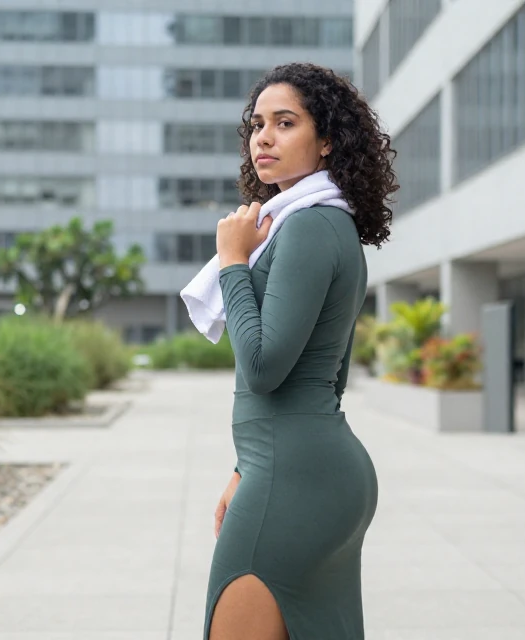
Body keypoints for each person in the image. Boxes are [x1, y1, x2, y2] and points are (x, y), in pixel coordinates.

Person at [201, 62, 398, 640]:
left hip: (295, 477)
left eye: (285, 123)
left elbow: (262, 369)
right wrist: (245, 467)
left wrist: (235, 262)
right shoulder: (322, 224)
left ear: (328, 139)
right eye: (258, 124)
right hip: (299, 469)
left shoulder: (309, 226)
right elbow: (329, 375)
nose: (263, 136)